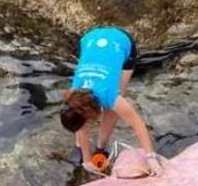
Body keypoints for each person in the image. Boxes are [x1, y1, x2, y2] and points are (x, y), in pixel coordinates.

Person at [60, 26, 163, 175]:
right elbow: (81, 128)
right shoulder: (72, 93)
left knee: (112, 109)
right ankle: (80, 148)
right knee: (81, 123)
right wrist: (87, 161)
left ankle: (101, 147)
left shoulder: (109, 95)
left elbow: (137, 122)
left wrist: (151, 157)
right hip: (91, 39)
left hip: (121, 41)